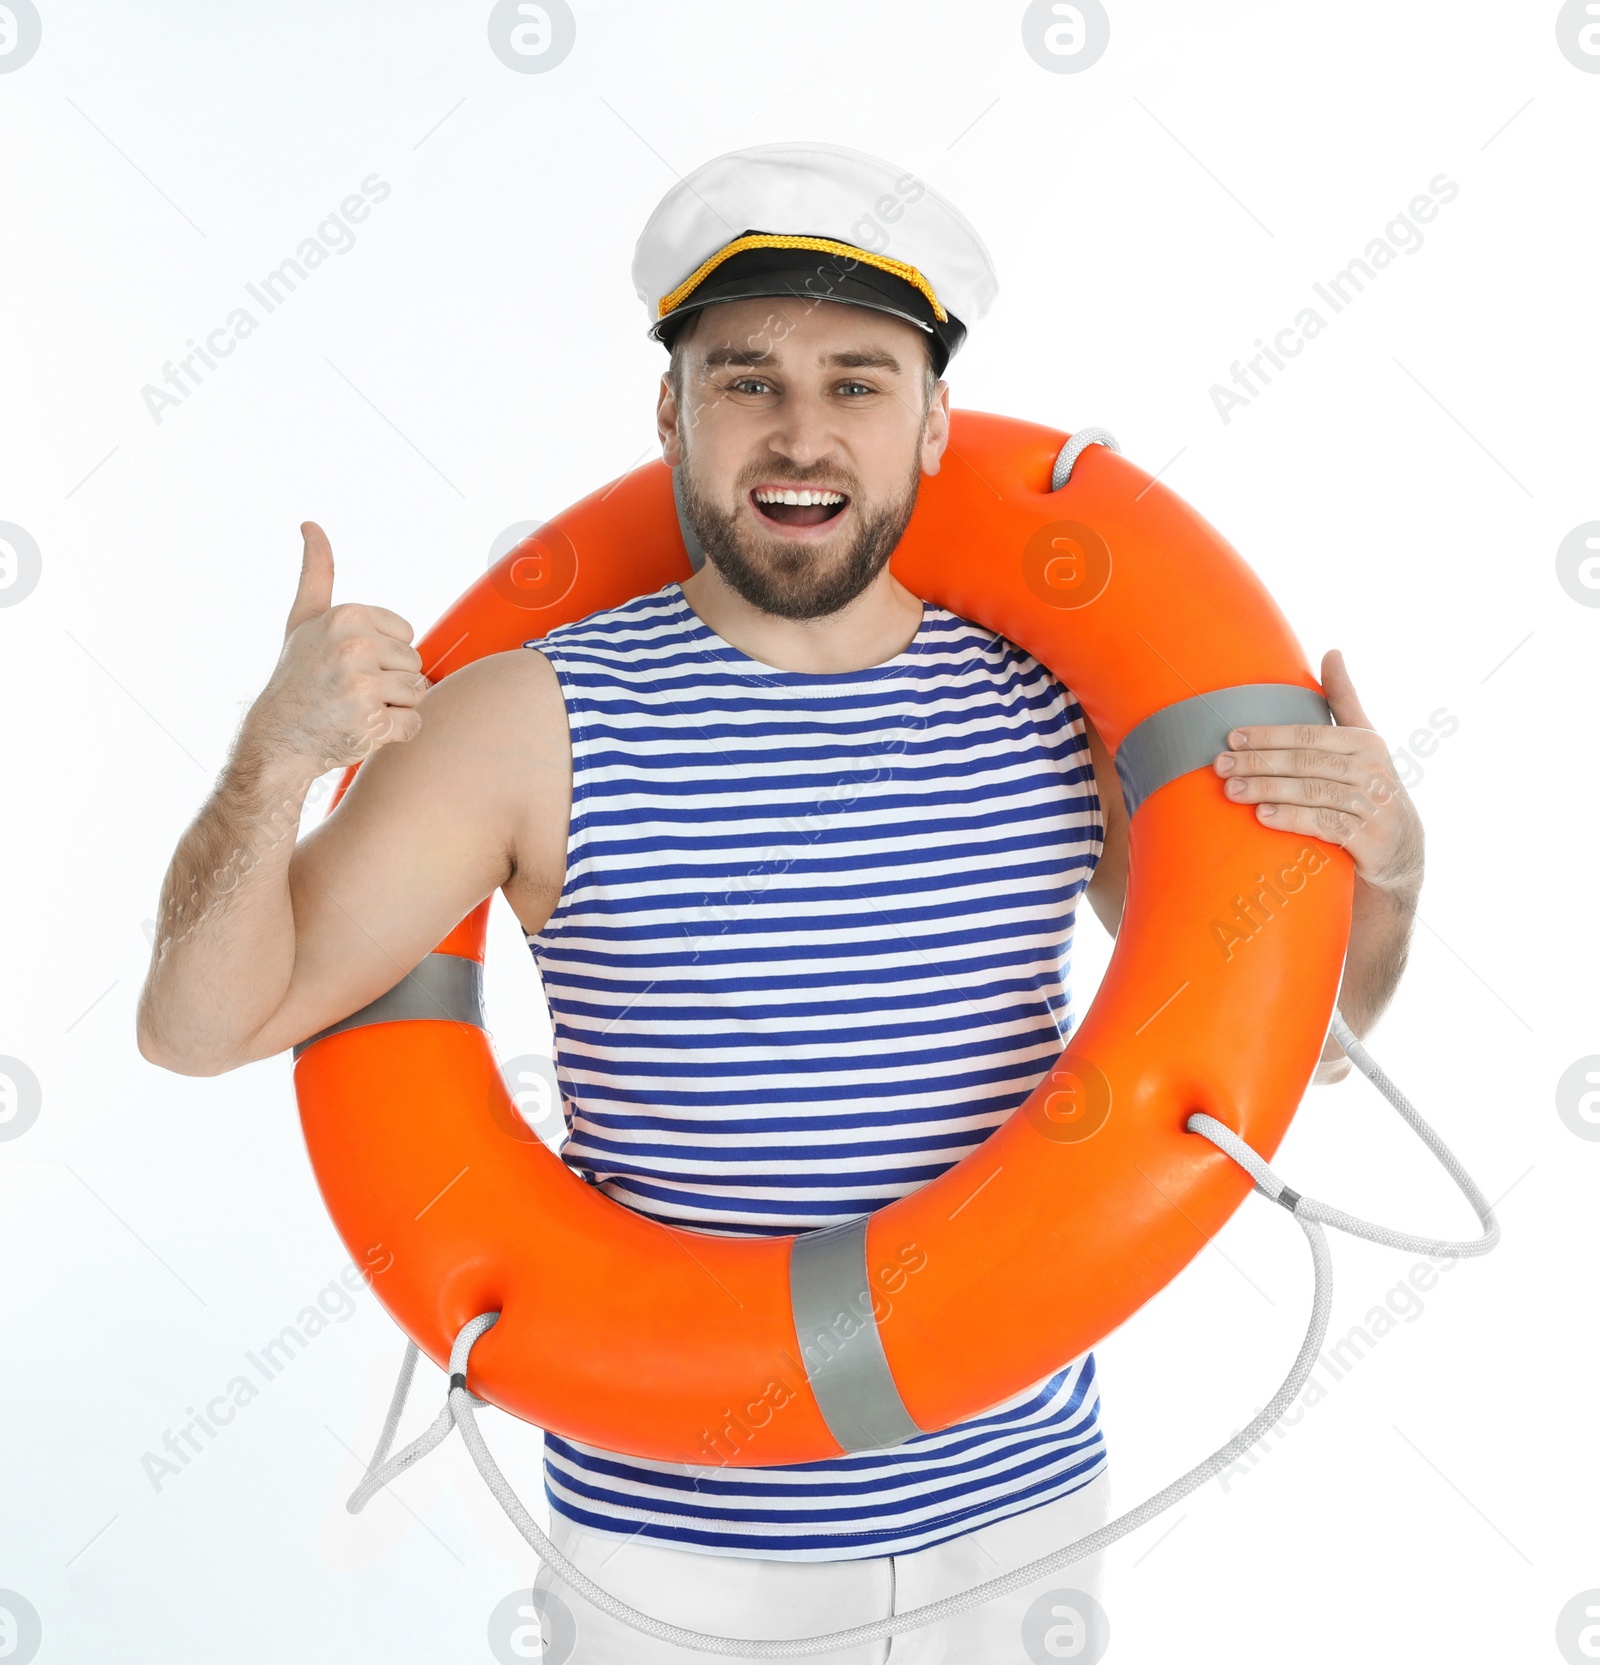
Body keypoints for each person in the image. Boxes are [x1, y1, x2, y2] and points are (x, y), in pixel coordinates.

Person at [136, 142, 1426, 1663]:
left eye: (859, 381)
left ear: (935, 419)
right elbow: (197, 1024)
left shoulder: (1055, 707)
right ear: (672, 411)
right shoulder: (524, 722)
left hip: (1021, 1525)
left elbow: (1310, 1036)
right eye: (746, 378)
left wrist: (1389, 876)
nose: (798, 432)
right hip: (674, 1559)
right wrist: (273, 760)